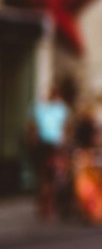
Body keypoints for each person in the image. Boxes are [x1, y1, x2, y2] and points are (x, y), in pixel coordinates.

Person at [28, 86, 70, 219]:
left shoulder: (44, 108)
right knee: (50, 177)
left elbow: (33, 127)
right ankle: (48, 208)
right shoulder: (55, 109)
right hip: (51, 147)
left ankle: (46, 208)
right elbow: (65, 128)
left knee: (46, 178)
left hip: (46, 146)